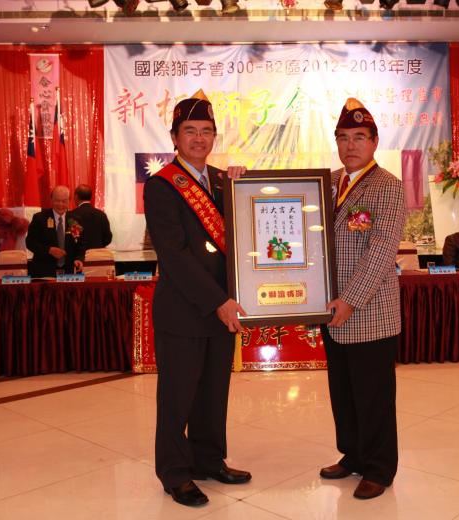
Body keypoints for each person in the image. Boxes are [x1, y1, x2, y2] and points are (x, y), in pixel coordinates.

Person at [143, 89, 251, 508]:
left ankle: (209, 459)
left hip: (222, 309)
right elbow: (175, 255)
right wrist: (218, 301)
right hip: (185, 310)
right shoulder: (161, 186)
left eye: (206, 131)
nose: (199, 139)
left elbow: (246, 236)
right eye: (190, 131)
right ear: (175, 137)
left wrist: (246, 188)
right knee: (178, 397)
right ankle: (175, 472)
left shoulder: (224, 181)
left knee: (212, 392)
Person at [319, 98, 405, 500]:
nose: (350, 145)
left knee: (373, 396)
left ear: (374, 142)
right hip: (330, 310)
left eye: (358, 137)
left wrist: (350, 300)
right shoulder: (328, 182)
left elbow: (382, 249)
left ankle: (379, 468)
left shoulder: (387, 185)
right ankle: (352, 454)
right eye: (343, 138)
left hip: (368, 311)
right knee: (344, 393)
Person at [25, 186, 84, 277]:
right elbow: (30, 242)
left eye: (64, 201)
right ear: (51, 200)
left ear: (69, 201)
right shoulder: (40, 218)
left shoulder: (74, 220)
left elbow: (80, 243)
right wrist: (49, 250)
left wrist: (79, 259)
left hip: (69, 272)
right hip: (44, 272)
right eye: (57, 200)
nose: (60, 204)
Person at [69, 184, 112, 250]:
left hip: (79, 255)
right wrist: (98, 245)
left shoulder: (72, 215)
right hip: (97, 253)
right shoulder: (101, 214)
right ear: (91, 197)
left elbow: (72, 237)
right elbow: (108, 238)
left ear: (76, 197)